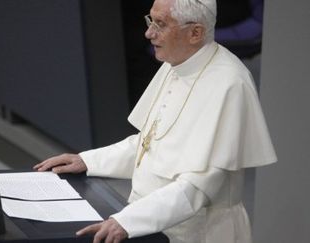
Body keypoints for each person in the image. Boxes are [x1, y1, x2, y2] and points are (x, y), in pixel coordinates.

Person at [34, 0, 277, 242]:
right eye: (151, 21)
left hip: (199, 232)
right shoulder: (177, 62)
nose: (149, 33)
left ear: (195, 33)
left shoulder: (229, 84)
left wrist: (129, 220)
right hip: (148, 223)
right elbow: (149, 144)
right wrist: (86, 160)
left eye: (160, 24)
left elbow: (197, 188)